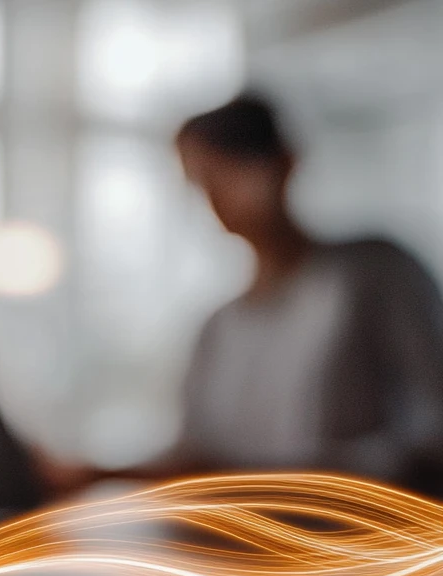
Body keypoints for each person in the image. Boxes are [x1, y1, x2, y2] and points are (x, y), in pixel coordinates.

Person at [55, 93, 443, 494]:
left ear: (284, 163)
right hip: (247, 543)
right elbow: (197, 451)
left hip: (359, 539)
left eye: (229, 170)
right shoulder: (220, 325)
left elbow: (432, 432)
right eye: (202, 180)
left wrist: (303, 484)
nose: (215, 195)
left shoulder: (373, 273)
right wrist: (98, 472)